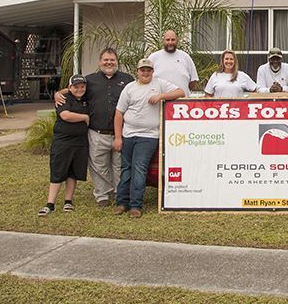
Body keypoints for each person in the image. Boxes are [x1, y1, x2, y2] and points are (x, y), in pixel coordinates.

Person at [55, 48, 134, 207]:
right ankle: (102, 195)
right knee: (99, 166)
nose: (109, 63)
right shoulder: (89, 80)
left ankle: (120, 194)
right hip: (97, 132)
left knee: (119, 166)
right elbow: (73, 89)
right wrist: (58, 93)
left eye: (112, 60)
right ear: (100, 62)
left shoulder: (127, 79)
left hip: (121, 132)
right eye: (105, 60)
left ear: (116, 61)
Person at [113, 58, 184, 217]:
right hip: (128, 134)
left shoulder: (159, 84)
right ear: (137, 71)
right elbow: (119, 113)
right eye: (142, 70)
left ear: (152, 71)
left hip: (148, 136)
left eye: (149, 70)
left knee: (139, 168)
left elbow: (181, 92)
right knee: (126, 168)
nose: (145, 73)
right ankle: (121, 202)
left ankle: (135, 205)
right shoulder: (129, 88)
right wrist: (118, 137)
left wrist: (161, 96)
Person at [39, 74, 90, 216]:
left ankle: (68, 201)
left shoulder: (86, 99)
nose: (80, 89)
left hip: (80, 142)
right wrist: (85, 117)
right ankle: (50, 203)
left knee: (73, 172)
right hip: (63, 141)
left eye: (82, 86)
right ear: (69, 87)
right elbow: (65, 115)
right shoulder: (64, 99)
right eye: (76, 86)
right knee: (58, 171)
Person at [148, 30, 199, 97]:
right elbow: (147, 78)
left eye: (173, 40)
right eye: (167, 40)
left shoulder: (185, 57)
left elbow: (193, 81)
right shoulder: (153, 57)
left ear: (177, 41)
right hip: (160, 103)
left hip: (182, 103)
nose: (170, 42)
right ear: (163, 41)